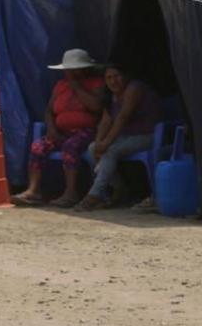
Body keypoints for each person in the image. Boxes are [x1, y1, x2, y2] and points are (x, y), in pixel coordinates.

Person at [13, 49, 105, 207]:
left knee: (71, 147)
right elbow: (49, 111)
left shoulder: (96, 83)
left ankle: (71, 193)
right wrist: (52, 129)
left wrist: (77, 86)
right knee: (38, 147)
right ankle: (33, 191)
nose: (70, 73)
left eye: (75, 70)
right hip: (61, 132)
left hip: (86, 131)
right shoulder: (60, 85)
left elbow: (97, 107)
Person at [75, 64, 161, 211]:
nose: (113, 81)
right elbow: (105, 121)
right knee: (91, 148)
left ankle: (94, 196)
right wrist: (99, 142)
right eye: (109, 78)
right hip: (125, 138)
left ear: (126, 76)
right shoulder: (111, 95)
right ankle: (118, 189)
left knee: (111, 150)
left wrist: (106, 143)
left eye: (117, 76)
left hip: (147, 136)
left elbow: (122, 117)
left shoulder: (134, 88)